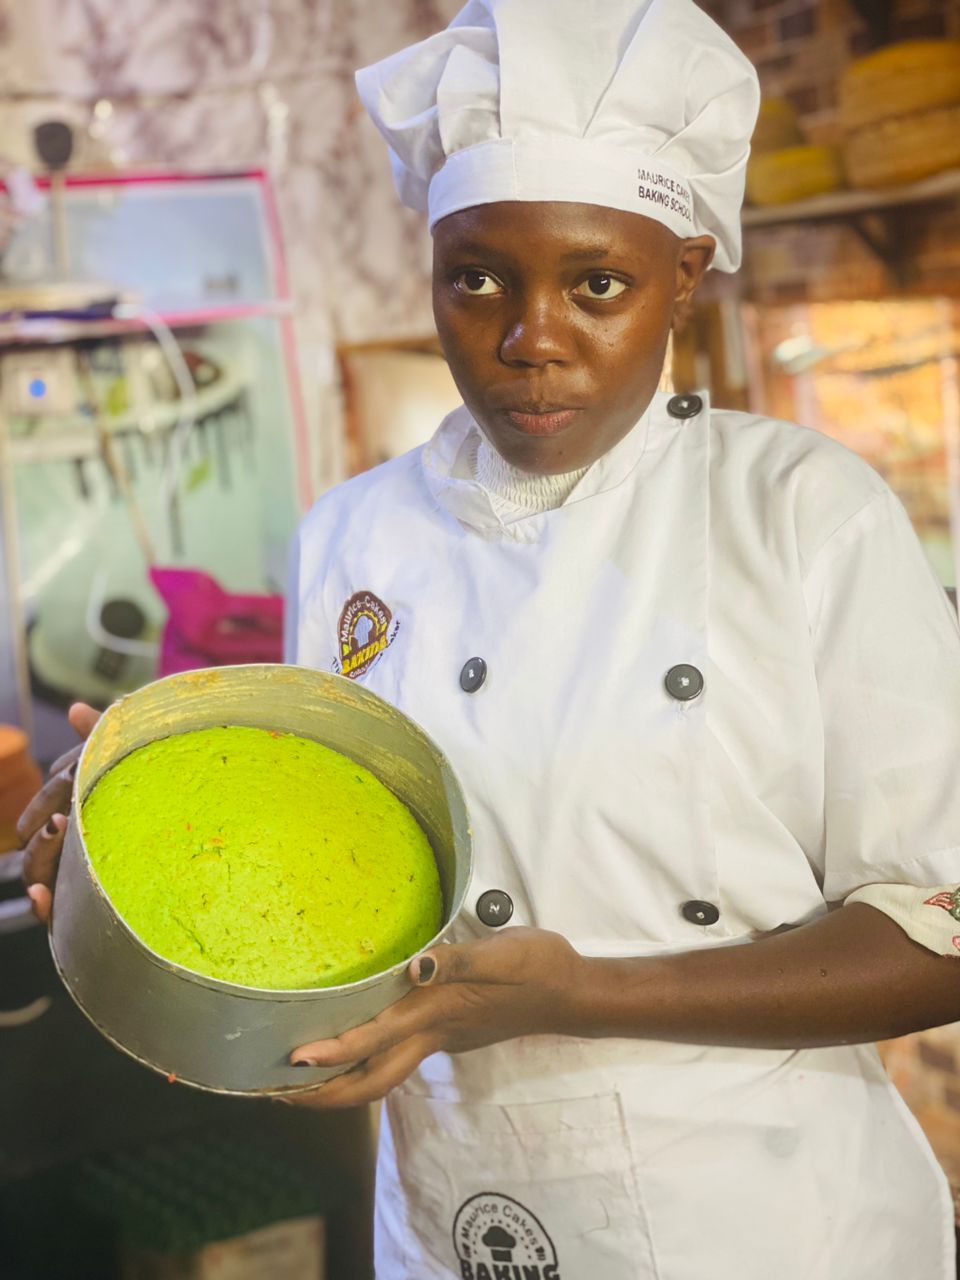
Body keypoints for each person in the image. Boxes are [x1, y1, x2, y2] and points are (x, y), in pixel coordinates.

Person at [18, 1, 960, 1276]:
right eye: (477, 278)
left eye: (599, 284)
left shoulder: (797, 508)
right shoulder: (352, 534)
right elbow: (328, 862)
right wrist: (129, 838)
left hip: (764, 1218)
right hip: (460, 1204)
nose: (532, 338)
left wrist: (578, 994)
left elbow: (936, 931)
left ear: (687, 273)